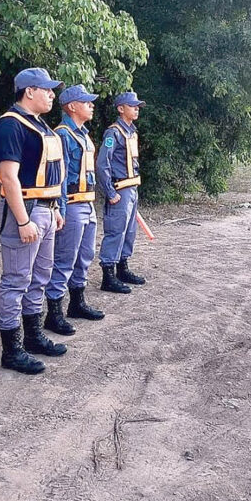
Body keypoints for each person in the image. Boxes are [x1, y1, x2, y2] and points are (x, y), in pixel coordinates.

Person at [0, 68, 67, 374]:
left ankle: (34, 335)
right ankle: (11, 350)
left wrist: (55, 208)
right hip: (26, 209)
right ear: (28, 91)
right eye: (46, 89)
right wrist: (23, 221)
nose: (52, 94)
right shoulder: (11, 125)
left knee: (40, 276)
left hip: (46, 208)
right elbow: (8, 177)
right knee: (16, 280)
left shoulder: (41, 126)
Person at [43, 85, 105, 336]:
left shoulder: (83, 134)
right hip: (73, 204)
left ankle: (77, 303)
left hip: (87, 203)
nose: (91, 105)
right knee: (64, 259)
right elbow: (59, 177)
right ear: (71, 106)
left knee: (85, 255)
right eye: (86, 102)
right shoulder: (63, 135)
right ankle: (54, 312)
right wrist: (62, 210)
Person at [96, 91, 147, 294]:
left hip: (132, 187)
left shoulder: (131, 132)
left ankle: (122, 268)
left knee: (129, 232)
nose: (136, 109)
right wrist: (109, 191)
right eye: (132, 106)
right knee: (115, 231)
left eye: (137, 106)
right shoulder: (113, 133)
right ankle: (108, 275)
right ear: (120, 108)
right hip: (120, 189)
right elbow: (102, 164)